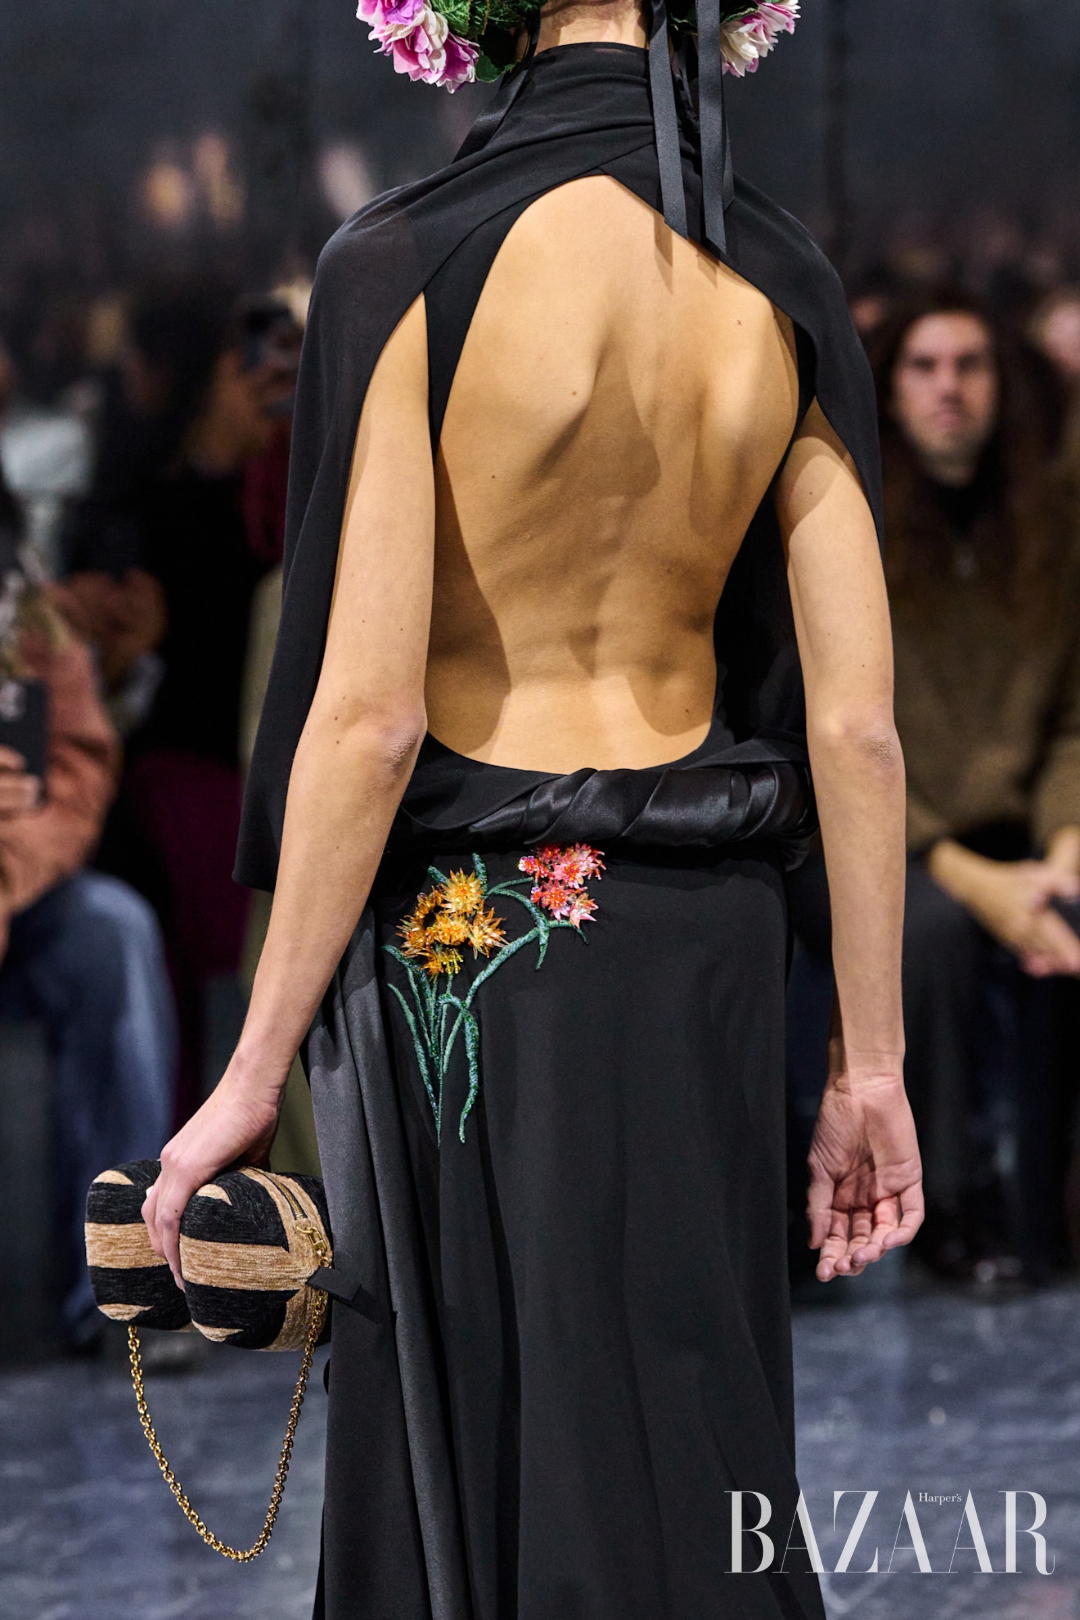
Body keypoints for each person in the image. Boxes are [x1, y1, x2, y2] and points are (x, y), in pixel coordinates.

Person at [145, 1, 922, 1616]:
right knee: (695, 1438)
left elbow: (366, 725)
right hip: (709, 954)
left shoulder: (404, 262)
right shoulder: (778, 277)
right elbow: (855, 729)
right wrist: (871, 1067)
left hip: (481, 955)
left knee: (505, 1464)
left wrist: (251, 1071)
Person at [792, 287, 1080, 1282]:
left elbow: (1074, 720)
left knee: (1070, 920)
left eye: (970, 364)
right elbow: (835, 730)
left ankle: (1047, 1213)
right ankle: (947, 1212)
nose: (947, 388)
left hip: (1023, 833)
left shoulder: (1052, 530)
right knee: (937, 937)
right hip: (885, 839)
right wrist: (966, 872)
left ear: (1003, 381)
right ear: (890, 386)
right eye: (923, 366)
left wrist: (1065, 848)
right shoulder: (849, 526)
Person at [62, 288, 296, 1117]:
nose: (269, 381)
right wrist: (127, 655)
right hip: (182, 784)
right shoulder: (141, 508)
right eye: (249, 363)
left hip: (257, 781)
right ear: (208, 373)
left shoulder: (287, 489)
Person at [0, 457, 175, 1347]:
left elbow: (73, 772)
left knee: (113, 928)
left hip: (18, 895)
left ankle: (124, 1282)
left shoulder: (33, 620)